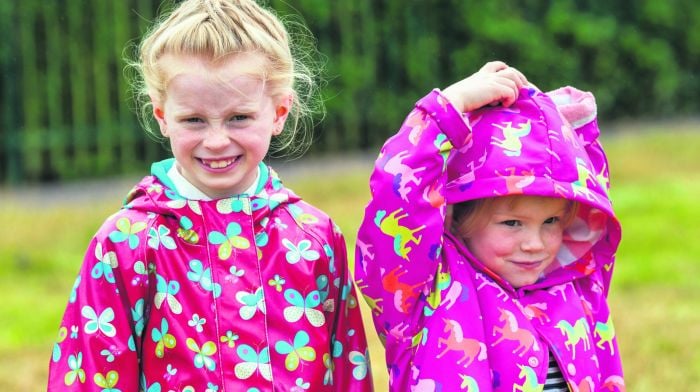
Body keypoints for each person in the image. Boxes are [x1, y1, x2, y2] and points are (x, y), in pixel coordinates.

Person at [47, 1, 373, 390]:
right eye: (194, 120)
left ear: (279, 111)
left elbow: (347, 371)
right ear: (163, 117)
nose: (216, 141)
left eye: (239, 117)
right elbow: (91, 376)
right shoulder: (126, 244)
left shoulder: (314, 240)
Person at [354, 61, 625, 391]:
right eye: (512, 223)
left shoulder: (576, 285)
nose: (535, 244)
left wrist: (576, 135)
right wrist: (444, 110)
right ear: (458, 219)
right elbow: (396, 203)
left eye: (551, 221)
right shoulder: (426, 295)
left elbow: (587, 192)